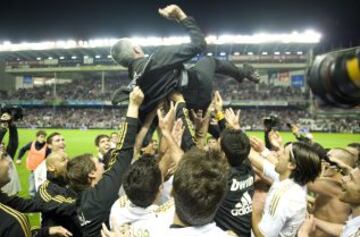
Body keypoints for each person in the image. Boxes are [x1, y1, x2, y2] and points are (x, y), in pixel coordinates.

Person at [110, 4, 259, 121]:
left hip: (181, 111)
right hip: (198, 88)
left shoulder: (134, 87)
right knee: (209, 60)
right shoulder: (157, 58)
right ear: (136, 49)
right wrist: (181, 16)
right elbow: (199, 44)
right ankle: (242, 73)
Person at [66, 86, 143, 237]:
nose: (103, 164)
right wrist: (133, 106)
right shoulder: (101, 195)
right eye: (98, 164)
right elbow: (124, 153)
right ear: (92, 174)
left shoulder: (80, 199)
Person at [249, 141, 322, 237]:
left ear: (291, 165)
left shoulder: (284, 198)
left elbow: (263, 235)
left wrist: (253, 210)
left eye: (283, 153)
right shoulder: (291, 180)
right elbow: (262, 164)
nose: (277, 154)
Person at [214, 108, 255, 237]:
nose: (216, 144)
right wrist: (234, 127)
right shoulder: (248, 169)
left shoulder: (219, 179)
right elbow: (240, 145)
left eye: (218, 143)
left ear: (224, 155)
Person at [298, 167, 360, 237]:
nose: (343, 178)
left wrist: (303, 233)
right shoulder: (355, 223)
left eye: (351, 179)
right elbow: (346, 230)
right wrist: (314, 221)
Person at [16, 130, 49, 198]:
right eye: (41, 137)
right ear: (37, 137)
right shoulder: (32, 144)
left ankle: (40, 196)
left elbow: (50, 157)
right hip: (33, 168)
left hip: (42, 170)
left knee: (41, 184)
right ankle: (33, 197)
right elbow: (22, 149)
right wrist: (19, 158)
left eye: (44, 137)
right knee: (32, 185)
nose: (42, 139)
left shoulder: (47, 147)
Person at [0, 112, 21, 196]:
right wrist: (3, 129)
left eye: (3, 145)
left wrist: (11, 124)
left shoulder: (8, 156)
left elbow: (13, 142)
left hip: (12, 195)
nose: (2, 146)